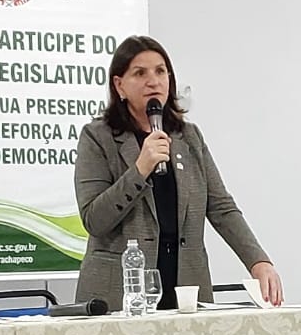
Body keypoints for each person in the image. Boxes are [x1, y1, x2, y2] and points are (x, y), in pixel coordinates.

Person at [75, 36, 282, 310]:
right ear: (119, 85)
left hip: (185, 290)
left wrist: (258, 261)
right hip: (120, 295)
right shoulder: (97, 137)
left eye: (161, 71)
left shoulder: (188, 137)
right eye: (140, 73)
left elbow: (221, 207)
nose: (154, 81)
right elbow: (94, 219)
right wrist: (140, 170)